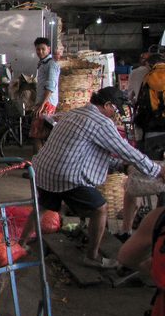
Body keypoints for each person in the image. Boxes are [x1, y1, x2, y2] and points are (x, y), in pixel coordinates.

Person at [18, 87, 165, 268]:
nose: (115, 115)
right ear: (108, 105)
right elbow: (127, 151)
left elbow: (89, 152)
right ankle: (92, 256)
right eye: (116, 110)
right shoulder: (101, 122)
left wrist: (121, 166)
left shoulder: (75, 113)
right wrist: (157, 170)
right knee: (99, 209)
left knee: (42, 206)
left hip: (44, 170)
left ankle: (21, 243)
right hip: (66, 175)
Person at [30, 37, 60, 153]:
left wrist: (42, 105)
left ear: (49, 49)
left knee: (36, 135)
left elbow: (50, 87)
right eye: (38, 49)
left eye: (43, 49)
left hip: (46, 104)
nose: (40, 52)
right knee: (41, 135)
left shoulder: (51, 64)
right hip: (43, 103)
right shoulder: (43, 63)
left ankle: (36, 167)